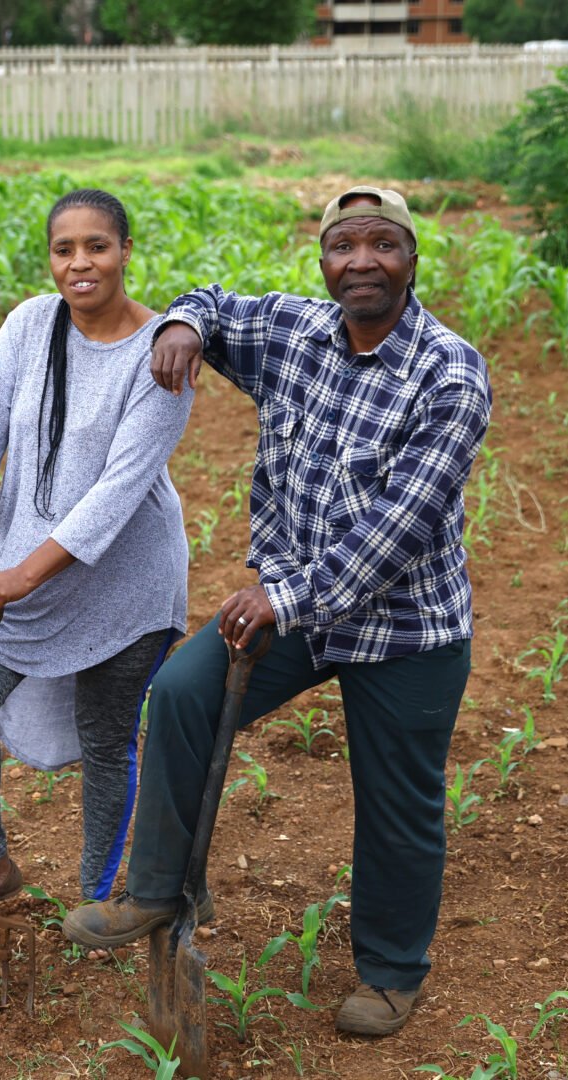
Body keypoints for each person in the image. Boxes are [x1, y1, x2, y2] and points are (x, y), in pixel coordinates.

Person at [63, 187, 491, 1037]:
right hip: (294, 612)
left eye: (381, 245)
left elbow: (398, 528)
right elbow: (215, 306)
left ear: (411, 258)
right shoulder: (296, 332)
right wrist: (184, 325)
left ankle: (392, 972)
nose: (360, 261)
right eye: (342, 246)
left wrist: (283, 594)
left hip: (405, 631)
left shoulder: (449, 371)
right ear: (323, 260)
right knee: (183, 693)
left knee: (397, 801)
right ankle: (155, 889)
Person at [0, 189, 194, 939]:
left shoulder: (160, 354)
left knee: (106, 734)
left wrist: (13, 579)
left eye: (97, 246)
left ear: (124, 251)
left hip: (124, 579)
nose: (80, 263)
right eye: (63, 249)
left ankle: (97, 896)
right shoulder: (27, 326)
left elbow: (113, 497)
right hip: (18, 555)